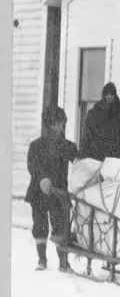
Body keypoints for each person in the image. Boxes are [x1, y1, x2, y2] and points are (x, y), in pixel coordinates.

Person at [25, 105, 78, 272]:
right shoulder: (36, 146)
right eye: (57, 123)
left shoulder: (69, 146)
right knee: (39, 225)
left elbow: (79, 164)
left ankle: (63, 261)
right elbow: (32, 165)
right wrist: (42, 178)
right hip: (38, 191)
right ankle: (42, 259)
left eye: (62, 123)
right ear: (50, 124)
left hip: (58, 194)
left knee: (60, 227)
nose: (61, 127)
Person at [79, 82, 120, 161]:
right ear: (104, 95)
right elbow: (86, 137)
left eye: (112, 94)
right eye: (107, 94)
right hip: (97, 159)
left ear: (115, 95)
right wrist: (84, 155)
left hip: (117, 160)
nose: (109, 97)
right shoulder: (93, 114)